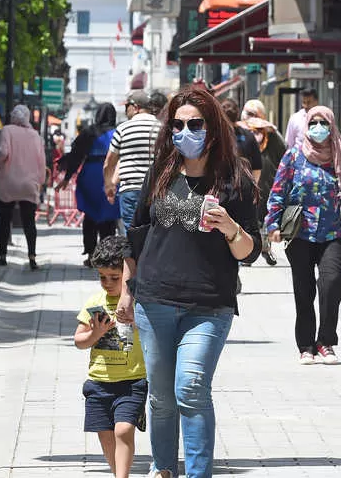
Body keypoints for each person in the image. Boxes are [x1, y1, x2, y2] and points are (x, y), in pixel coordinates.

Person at [117, 87, 261, 478]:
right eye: (177, 125)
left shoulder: (235, 180)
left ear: (212, 129)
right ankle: (164, 469)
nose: (185, 132)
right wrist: (128, 291)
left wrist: (231, 228)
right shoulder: (161, 172)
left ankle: (198, 474)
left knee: (191, 388)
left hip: (209, 304)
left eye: (194, 124)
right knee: (162, 399)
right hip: (155, 300)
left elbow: (249, 251)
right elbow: (138, 234)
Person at [266, 106, 341, 365]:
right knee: (304, 290)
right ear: (306, 126)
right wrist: (272, 224)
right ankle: (306, 345)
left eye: (323, 123)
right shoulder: (293, 156)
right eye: (314, 123)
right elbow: (278, 191)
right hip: (300, 233)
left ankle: (326, 341)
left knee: (333, 282)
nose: (318, 127)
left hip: (331, 232)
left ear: (332, 126)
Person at [74, 235, 147, 478]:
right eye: (102, 277)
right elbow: (79, 341)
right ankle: (118, 473)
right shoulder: (95, 303)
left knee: (123, 430)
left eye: (114, 278)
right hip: (99, 382)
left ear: (126, 275)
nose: (107, 282)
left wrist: (136, 321)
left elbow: (153, 331)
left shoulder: (138, 303)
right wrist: (96, 332)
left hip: (132, 381)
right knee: (106, 437)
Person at [59, 103, 120, 266]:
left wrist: (67, 177)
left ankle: (91, 252)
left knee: (91, 214)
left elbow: (76, 155)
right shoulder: (119, 132)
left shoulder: (89, 132)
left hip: (90, 174)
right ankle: (108, 255)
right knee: (109, 217)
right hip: (111, 174)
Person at [0, 104, 46, 270]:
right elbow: (41, 160)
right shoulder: (35, 135)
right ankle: (32, 257)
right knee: (29, 221)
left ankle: (2, 256)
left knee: (4, 218)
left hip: (9, 181)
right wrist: (41, 180)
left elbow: (4, 152)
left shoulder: (7, 130)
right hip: (29, 183)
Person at [103, 90, 160, 229]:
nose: (125, 110)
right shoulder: (162, 128)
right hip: (156, 190)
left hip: (130, 190)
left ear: (135, 107)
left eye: (126, 106)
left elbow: (109, 163)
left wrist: (109, 185)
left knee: (131, 233)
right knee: (153, 232)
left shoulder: (123, 129)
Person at [245, 116, 286, 266]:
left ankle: (265, 248)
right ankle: (248, 254)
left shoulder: (272, 139)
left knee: (265, 222)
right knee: (250, 222)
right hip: (248, 190)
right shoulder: (245, 138)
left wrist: (273, 131)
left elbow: (283, 149)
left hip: (268, 189)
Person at [221, 98, 262, 183]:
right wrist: (252, 188)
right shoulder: (249, 136)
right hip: (243, 187)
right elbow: (257, 167)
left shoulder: (214, 136)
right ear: (238, 113)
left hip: (220, 188)